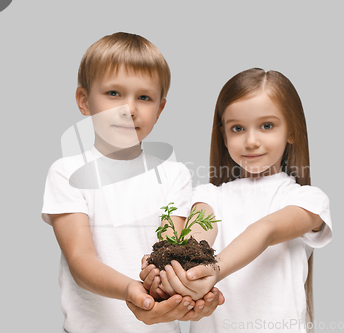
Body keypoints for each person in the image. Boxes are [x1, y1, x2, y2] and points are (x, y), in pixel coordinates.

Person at [41, 32, 223, 333]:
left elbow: (172, 251)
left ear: (160, 109)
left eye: (144, 97)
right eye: (113, 93)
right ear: (84, 101)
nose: (129, 108)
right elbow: (80, 260)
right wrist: (130, 288)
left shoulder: (174, 174)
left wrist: (172, 286)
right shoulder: (67, 172)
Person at [141, 68, 332, 333]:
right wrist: (176, 272)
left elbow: (265, 231)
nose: (251, 141)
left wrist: (214, 270)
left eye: (267, 126)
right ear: (224, 134)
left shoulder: (308, 200)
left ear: (292, 131)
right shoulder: (207, 195)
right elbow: (200, 232)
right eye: (238, 128)